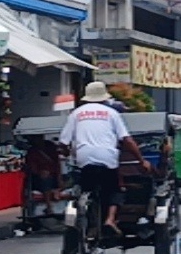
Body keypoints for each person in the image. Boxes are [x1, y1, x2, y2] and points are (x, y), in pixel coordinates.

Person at [58, 82, 149, 236]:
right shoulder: (112, 113)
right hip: (107, 158)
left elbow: (63, 142)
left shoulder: (76, 114)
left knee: (85, 188)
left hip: (84, 158)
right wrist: (141, 160)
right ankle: (110, 220)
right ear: (104, 97)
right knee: (115, 190)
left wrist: (68, 153)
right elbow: (127, 140)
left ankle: (84, 211)